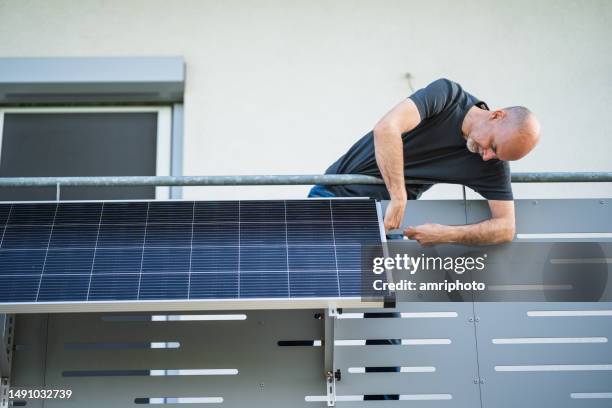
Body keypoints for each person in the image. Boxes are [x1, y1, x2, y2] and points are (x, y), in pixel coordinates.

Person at [310, 78, 540, 245]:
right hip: (335, 197)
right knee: (317, 294)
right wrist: (398, 198)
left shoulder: (492, 165)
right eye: (493, 146)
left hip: (386, 221)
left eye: (498, 156)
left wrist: (446, 234)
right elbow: (387, 128)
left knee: (387, 304)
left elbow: (506, 227)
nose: (488, 156)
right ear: (496, 116)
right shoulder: (448, 95)